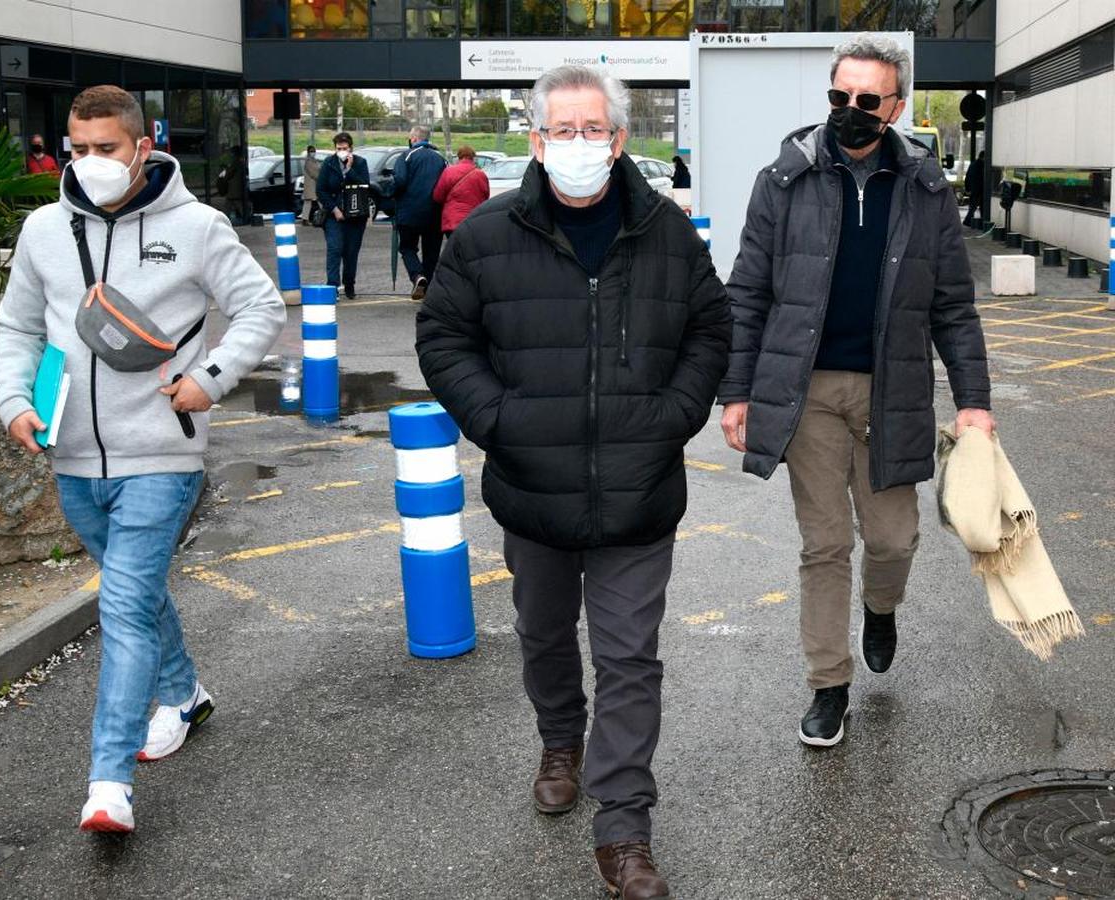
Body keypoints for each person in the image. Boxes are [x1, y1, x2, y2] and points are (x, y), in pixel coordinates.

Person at [416, 65, 731, 900]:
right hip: (533, 485)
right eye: (565, 130)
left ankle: (624, 829)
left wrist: (673, 415)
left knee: (630, 657)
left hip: (640, 489)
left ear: (621, 139)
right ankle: (562, 739)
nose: (581, 146)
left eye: (597, 130)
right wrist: (500, 419)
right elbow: (443, 337)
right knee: (545, 634)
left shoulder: (666, 230)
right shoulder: (485, 235)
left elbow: (712, 325)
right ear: (537, 140)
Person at [0, 85, 285, 833]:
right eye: (77, 150)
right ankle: (182, 691)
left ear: (142, 148)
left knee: (121, 606)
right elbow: (17, 327)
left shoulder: (195, 225)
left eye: (106, 149)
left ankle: (108, 782)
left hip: (163, 454)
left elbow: (261, 307)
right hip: (72, 457)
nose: (89, 163)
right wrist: (13, 401)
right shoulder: (43, 231)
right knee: (141, 596)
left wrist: (210, 380)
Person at [717, 34, 995, 749]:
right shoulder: (784, 179)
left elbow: (954, 308)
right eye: (840, 97)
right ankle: (829, 685)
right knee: (825, 543)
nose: (850, 111)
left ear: (896, 106)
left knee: (893, 538)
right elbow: (746, 292)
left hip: (892, 388)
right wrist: (737, 391)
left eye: (867, 101)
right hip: (805, 389)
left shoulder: (927, 189)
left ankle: (882, 606)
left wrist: (975, 403)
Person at [393, 124, 446, 300]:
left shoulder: (406, 156)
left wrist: (391, 196)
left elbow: (399, 181)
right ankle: (429, 288)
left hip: (409, 212)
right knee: (431, 252)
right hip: (435, 213)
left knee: (407, 248)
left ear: (414, 138)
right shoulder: (440, 158)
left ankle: (417, 276)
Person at [316, 132, 370, 299]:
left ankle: (349, 284)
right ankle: (332, 286)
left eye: (345, 148)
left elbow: (364, 184)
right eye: (339, 148)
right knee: (335, 248)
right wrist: (334, 209)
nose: (342, 151)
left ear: (351, 148)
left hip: (356, 215)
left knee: (351, 251)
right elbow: (321, 190)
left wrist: (349, 169)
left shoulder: (360, 163)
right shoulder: (329, 163)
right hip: (334, 215)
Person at [432, 145, 490, 238]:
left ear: (459, 156)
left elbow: (438, 196)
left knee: (454, 249)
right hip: (473, 219)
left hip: (452, 220)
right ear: (473, 157)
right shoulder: (480, 174)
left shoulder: (449, 171)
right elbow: (485, 197)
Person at [963, 149, 984, 228]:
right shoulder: (981, 165)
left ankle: (968, 221)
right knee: (979, 206)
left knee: (973, 206)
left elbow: (967, 177)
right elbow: (981, 179)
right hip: (979, 190)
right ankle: (968, 221)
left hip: (973, 189)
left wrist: (967, 188)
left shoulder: (972, 164)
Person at [301, 144, 321, 224]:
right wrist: (320, 178)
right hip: (311, 184)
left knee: (310, 201)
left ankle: (305, 219)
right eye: (311, 151)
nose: (313, 152)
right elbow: (313, 173)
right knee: (312, 200)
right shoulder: (308, 161)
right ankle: (324, 216)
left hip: (314, 184)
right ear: (308, 152)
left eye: (314, 151)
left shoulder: (314, 160)